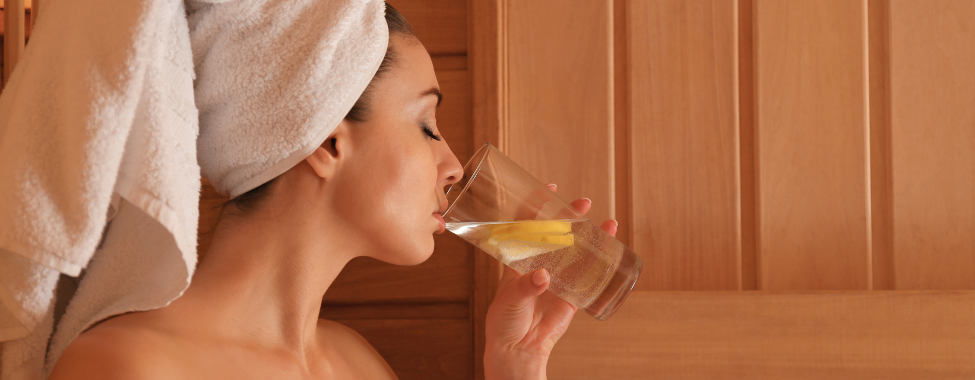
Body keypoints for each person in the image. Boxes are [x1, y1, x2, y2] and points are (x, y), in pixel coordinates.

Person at [47, 4, 617, 379]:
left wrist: (515, 367)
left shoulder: (355, 365)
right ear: (324, 142)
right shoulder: (126, 368)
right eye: (426, 125)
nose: (450, 165)